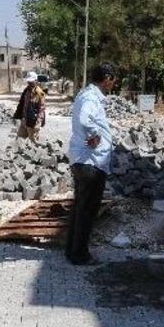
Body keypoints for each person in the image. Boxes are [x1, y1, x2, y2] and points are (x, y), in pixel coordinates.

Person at [65, 64, 116, 265]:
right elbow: (85, 118)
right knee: (87, 211)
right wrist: (94, 135)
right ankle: (80, 255)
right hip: (90, 163)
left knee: (80, 208)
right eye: (113, 79)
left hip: (86, 162)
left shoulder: (87, 95)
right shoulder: (90, 98)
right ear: (107, 78)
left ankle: (72, 251)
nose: (114, 83)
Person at [15, 72, 46, 141]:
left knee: (34, 143)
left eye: (31, 82)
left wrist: (38, 122)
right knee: (19, 140)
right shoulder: (26, 91)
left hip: (33, 122)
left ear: (36, 81)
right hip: (25, 120)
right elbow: (23, 105)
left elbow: (41, 109)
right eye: (28, 81)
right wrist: (20, 117)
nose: (29, 83)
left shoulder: (39, 93)